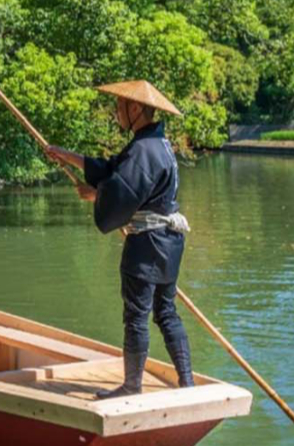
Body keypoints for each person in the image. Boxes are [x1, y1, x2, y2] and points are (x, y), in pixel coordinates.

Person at [46, 79, 193, 397]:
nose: (116, 113)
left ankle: (131, 386)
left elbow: (123, 193)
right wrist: (66, 156)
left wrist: (96, 196)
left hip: (149, 242)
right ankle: (187, 382)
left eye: (120, 106)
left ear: (136, 108)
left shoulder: (144, 149)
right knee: (166, 311)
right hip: (169, 242)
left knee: (137, 314)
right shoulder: (156, 144)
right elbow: (113, 169)